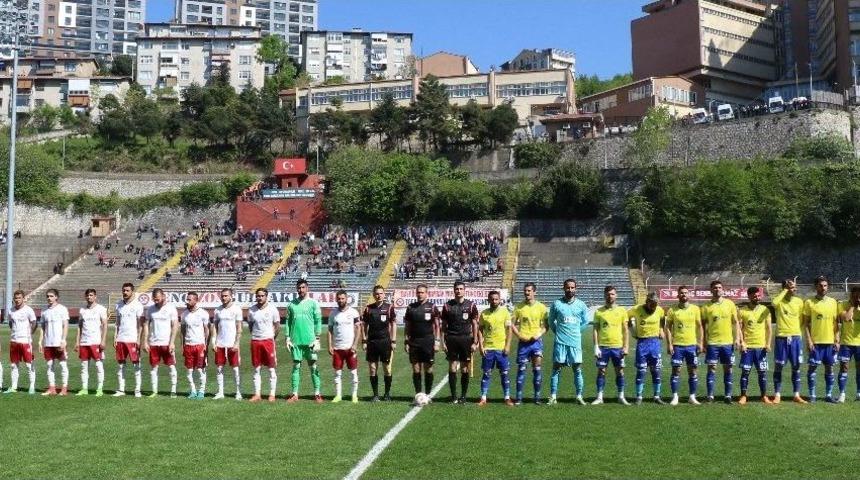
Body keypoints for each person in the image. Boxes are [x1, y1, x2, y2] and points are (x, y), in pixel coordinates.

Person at [548, 278, 589, 406]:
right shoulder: (556, 304)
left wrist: (577, 332)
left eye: (572, 287)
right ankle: (553, 396)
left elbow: (585, 322)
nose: (570, 290)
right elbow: (551, 321)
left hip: (575, 343)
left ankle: (579, 396)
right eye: (567, 287)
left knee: (577, 370)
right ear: (563, 288)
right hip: (560, 342)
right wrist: (558, 332)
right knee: (556, 369)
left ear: (575, 289)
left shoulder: (581, 305)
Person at [700, 280, 740, 404]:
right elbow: (703, 325)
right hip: (712, 343)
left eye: (719, 287)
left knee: (728, 369)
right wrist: (703, 342)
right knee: (711, 369)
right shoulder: (706, 307)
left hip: (727, 343)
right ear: (711, 290)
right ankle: (710, 396)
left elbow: (736, 323)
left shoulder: (730, 304)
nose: (718, 289)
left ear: (723, 289)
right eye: (715, 288)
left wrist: (737, 339)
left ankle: (728, 395)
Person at [440, 281, 479, 404]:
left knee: (464, 369)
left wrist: (475, 341)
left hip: (466, 339)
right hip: (451, 339)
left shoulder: (471, 305)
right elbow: (443, 326)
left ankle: (463, 396)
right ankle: (454, 396)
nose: (459, 291)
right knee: (452, 367)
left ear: (464, 290)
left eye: (461, 289)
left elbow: (474, 324)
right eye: (457, 289)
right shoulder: (447, 306)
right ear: (454, 290)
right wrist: (442, 341)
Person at [285, 279, 323, 403]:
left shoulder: (313, 303)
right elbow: (288, 323)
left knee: (313, 367)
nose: (300, 290)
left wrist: (317, 338)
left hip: (310, 342)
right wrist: (287, 337)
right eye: (299, 288)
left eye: (303, 287)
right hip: (296, 341)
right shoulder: (291, 305)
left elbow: (318, 321)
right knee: (296, 367)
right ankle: (295, 394)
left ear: (307, 288)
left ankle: (317, 393)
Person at [802, 276, 839, 403]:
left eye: (825, 285)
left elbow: (835, 323)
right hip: (816, 343)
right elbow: (805, 324)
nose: (823, 288)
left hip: (830, 342)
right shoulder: (809, 303)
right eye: (820, 285)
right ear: (815, 287)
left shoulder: (833, 302)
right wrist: (809, 341)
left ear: (827, 287)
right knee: (812, 368)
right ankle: (812, 395)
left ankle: (828, 395)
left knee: (830, 368)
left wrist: (837, 340)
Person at [664, 286, 703, 406]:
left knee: (693, 371)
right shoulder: (672, 310)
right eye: (681, 293)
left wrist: (700, 342)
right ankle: (675, 396)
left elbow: (699, 326)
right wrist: (669, 344)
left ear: (689, 295)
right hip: (678, 346)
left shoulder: (696, 309)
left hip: (691, 345)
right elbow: (668, 328)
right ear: (678, 295)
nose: (684, 295)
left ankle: (692, 396)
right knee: (676, 370)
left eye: (686, 293)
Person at [591, 285, 629, 405]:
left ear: (616, 295)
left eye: (612, 294)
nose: (610, 296)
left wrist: (626, 346)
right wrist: (596, 346)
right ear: (604, 295)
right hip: (603, 347)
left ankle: (621, 396)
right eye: (608, 294)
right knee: (601, 371)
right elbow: (595, 330)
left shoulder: (622, 311)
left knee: (620, 372)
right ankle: (599, 397)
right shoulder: (599, 311)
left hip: (618, 347)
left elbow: (625, 330)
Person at [511, 282, 548, 405]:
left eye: (529, 291)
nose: (526, 293)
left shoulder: (541, 307)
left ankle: (537, 398)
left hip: (536, 343)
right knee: (521, 370)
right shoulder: (519, 307)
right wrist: (520, 335)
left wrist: (539, 334)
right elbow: (512, 324)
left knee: (537, 369)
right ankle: (519, 398)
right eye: (525, 291)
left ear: (534, 292)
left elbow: (546, 326)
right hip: (523, 343)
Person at [770, 279, 806, 404]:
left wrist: (795, 331)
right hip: (781, 337)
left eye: (794, 287)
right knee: (778, 366)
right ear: (785, 288)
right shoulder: (779, 302)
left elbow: (801, 319)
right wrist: (785, 289)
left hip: (796, 337)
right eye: (791, 287)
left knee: (796, 366)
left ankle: (796, 394)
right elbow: (773, 303)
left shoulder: (799, 302)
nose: (794, 289)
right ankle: (777, 394)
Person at [627, 292, 665, 405]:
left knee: (656, 371)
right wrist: (632, 330)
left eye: (656, 304)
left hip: (655, 343)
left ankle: (657, 396)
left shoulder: (659, 310)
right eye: (652, 304)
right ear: (647, 302)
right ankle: (639, 397)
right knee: (641, 371)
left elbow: (662, 319)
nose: (654, 306)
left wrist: (661, 330)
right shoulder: (637, 309)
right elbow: (626, 317)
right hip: (642, 343)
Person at [404, 284, 440, 399]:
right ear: (416, 293)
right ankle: (418, 394)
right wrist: (406, 341)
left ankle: (428, 394)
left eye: (422, 292)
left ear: (426, 293)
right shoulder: (410, 307)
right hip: (414, 341)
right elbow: (407, 325)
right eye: (418, 292)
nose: (420, 294)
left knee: (428, 368)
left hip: (428, 341)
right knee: (416, 368)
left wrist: (437, 341)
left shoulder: (432, 307)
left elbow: (437, 326)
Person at [477, 290, 514, 406]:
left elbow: (509, 330)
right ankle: (483, 398)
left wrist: (507, 346)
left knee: (504, 374)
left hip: (501, 349)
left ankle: (507, 397)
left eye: (496, 299)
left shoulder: (505, 313)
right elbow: (480, 330)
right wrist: (481, 346)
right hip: (488, 349)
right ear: (488, 300)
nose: (494, 301)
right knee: (486, 374)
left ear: (500, 300)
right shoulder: (484, 314)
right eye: (492, 299)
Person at [737, 286, 773, 405]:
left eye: (758, 295)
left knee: (762, 373)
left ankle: (763, 396)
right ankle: (743, 396)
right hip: (748, 348)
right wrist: (742, 342)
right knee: (745, 372)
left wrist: (768, 344)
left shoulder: (765, 310)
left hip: (761, 347)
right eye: (754, 296)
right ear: (749, 296)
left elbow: (769, 329)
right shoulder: (742, 311)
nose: (757, 298)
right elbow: (740, 329)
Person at [361, 285, 397, 402]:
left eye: (381, 293)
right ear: (373, 295)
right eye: (376, 293)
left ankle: (387, 394)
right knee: (372, 369)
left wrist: (393, 340)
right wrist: (364, 340)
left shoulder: (389, 307)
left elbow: (393, 324)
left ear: (384, 294)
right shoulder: (368, 308)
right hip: (372, 342)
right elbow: (364, 325)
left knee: (387, 369)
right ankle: (375, 395)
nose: (379, 295)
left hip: (385, 342)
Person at [143, 288, 179, 398]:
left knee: (171, 367)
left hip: (166, 343)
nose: (156, 301)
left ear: (163, 296)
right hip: (154, 343)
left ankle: (173, 391)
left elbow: (175, 326)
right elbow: (146, 325)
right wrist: (145, 341)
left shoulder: (171, 308)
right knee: (153, 368)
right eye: (154, 299)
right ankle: (154, 391)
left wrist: (172, 342)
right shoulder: (150, 309)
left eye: (158, 299)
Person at [247, 288, 280, 402]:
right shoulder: (251, 310)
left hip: (268, 341)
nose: (259, 298)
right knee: (256, 368)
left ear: (266, 296)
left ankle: (272, 394)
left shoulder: (272, 309)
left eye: (262, 296)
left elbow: (277, 326)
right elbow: (250, 325)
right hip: (255, 341)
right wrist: (256, 335)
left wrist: (271, 338)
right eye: (258, 296)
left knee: (271, 369)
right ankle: (257, 394)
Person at [328, 290, 361, 403]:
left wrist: (355, 344)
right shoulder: (333, 314)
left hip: (350, 348)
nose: (341, 300)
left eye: (343, 298)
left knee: (353, 372)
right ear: (336, 299)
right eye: (339, 298)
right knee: (337, 373)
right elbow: (330, 330)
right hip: (337, 348)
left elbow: (358, 329)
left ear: (346, 299)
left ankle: (354, 395)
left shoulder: (354, 312)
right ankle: (338, 395)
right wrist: (330, 345)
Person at [211, 288, 243, 400]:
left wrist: (237, 343)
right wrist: (213, 341)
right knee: (219, 368)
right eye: (222, 296)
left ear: (231, 296)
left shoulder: (237, 309)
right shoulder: (217, 310)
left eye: (226, 296)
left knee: (235, 369)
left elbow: (239, 328)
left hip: (232, 344)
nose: (223, 298)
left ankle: (238, 392)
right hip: (220, 344)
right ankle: (220, 392)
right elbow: (214, 326)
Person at [114, 283, 144, 397]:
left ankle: (137, 390)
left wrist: (138, 339)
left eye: (127, 290)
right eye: (123, 290)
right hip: (121, 338)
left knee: (136, 364)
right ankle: (121, 390)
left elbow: (140, 325)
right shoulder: (118, 305)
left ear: (132, 292)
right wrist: (115, 337)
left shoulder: (138, 305)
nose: (125, 292)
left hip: (132, 339)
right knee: (121, 365)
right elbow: (117, 323)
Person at [75, 289, 107, 396]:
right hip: (84, 342)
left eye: (91, 295)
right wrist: (77, 342)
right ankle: (84, 388)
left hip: (96, 342)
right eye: (87, 295)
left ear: (95, 296)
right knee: (84, 367)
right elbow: (79, 327)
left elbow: (105, 325)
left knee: (99, 366)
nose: (89, 297)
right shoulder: (82, 310)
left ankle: (100, 389)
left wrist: (103, 340)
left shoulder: (101, 309)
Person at [38, 289, 70, 396]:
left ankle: (64, 389)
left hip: (58, 342)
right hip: (48, 343)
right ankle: (52, 388)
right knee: (49, 365)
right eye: (47, 296)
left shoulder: (62, 309)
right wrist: (40, 340)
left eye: (51, 296)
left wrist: (63, 340)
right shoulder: (44, 311)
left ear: (56, 297)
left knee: (62, 365)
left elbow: (65, 325)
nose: (49, 298)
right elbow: (42, 327)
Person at [4, 290, 36, 394]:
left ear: (23, 298)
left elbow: (34, 322)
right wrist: (14, 332)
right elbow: (10, 322)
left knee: (29, 364)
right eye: (16, 298)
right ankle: (14, 387)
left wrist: (30, 334)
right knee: (14, 365)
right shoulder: (11, 310)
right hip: (14, 341)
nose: (17, 300)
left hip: (26, 341)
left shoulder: (29, 310)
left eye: (19, 298)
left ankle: (31, 387)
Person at [181, 292, 210, 399]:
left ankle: (201, 391)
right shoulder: (184, 314)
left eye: (189, 299)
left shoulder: (203, 313)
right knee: (189, 370)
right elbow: (182, 330)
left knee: (200, 369)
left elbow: (207, 330)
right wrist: (182, 344)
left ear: (195, 300)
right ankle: (193, 391)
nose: (187, 301)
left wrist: (206, 344)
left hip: (200, 345)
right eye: (187, 299)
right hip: (188, 345)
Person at [837, 286, 860, 403]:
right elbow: (846, 318)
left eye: (859, 296)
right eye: (855, 296)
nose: (857, 298)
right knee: (844, 368)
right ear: (851, 295)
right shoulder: (843, 304)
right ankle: (842, 394)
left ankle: (859, 393)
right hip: (846, 343)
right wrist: (853, 306)